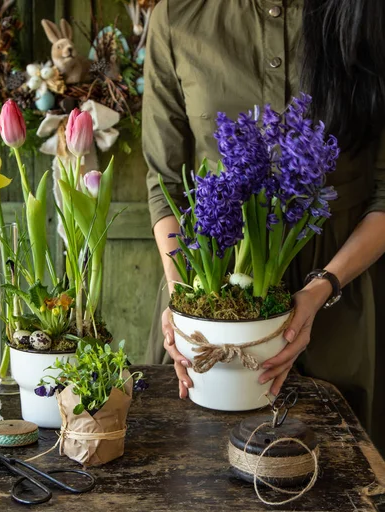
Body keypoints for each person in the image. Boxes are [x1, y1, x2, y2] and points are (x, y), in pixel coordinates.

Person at [142, 0, 385, 439]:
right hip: (209, 300)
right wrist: (185, 304)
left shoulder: (368, 17)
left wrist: (320, 290)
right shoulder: (178, 18)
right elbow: (165, 185)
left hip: (340, 303)